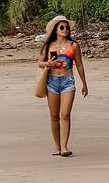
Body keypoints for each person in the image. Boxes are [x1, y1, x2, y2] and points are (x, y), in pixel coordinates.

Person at [37, 14, 88, 157]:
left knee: (64, 114)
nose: (65, 29)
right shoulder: (48, 46)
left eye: (66, 27)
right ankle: (57, 147)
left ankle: (65, 147)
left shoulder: (74, 45)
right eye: (62, 27)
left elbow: (79, 65)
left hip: (68, 81)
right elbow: (39, 62)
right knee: (54, 116)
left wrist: (84, 83)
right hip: (52, 81)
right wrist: (48, 63)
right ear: (55, 29)